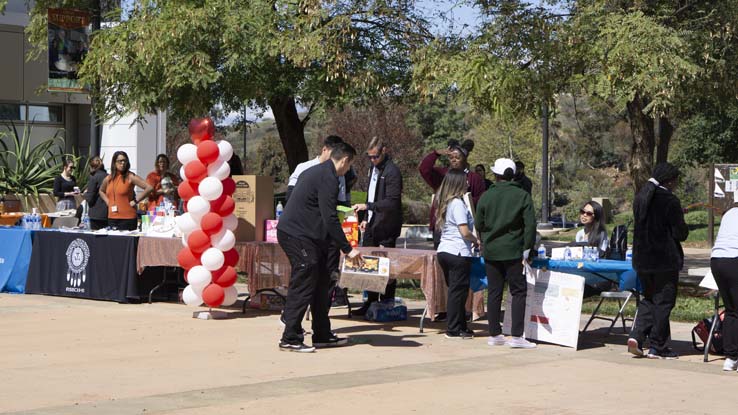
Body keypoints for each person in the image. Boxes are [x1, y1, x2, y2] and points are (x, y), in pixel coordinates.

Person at [277, 143, 363, 353]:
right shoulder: (329, 177)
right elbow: (329, 216)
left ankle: (322, 334)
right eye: (349, 164)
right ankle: (290, 337)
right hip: (296, 234)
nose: (348, 169)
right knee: (306, 276)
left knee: (324, 279)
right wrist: (348, 248)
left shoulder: (321, 172)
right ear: (345, 160)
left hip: (312, 236)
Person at [627, 162, 688, 360]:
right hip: (664, 260)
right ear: (670, 181)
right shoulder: (670, 200)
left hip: (643, 260)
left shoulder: (641, 198)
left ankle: (637, 336)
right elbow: (680, 233)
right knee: (664, 302)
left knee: (649, 298)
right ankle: (658, 346)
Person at [475, 158, 537, 349]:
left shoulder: (486, 196)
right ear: (513, 174)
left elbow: (479, 224)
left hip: (492, 250)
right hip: (513, 250)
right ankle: (517, 336)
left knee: (494, 292)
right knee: (518, 291)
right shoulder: (522, 195)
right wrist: (527, 248)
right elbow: (530, 225)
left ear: (496, 174)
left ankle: (494, 333)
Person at [351, 137, 403, 316]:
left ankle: (387, 302)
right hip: (373, 225)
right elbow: (370, 196)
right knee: (370, 264)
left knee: (386, 267)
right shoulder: (372, 170)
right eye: (369, 157)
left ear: (384, 151)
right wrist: (366, 216)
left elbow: (392, 202)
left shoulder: (392, 172)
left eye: (375, 157)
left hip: (387, 227)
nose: (372, 160)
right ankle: (371, 302)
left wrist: (369, 207)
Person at [434, 169, 480, 338]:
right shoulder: (458, 204)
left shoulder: (445, 203)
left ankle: (461, 325)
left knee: (456, 291)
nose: (468, 183)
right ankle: (453, 328)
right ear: (458, 183)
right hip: (458, 252)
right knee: (457, 292)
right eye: (465, 181)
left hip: (444, 251)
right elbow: (464, 231)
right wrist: (476, 240)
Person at [418, 138, 485, 247]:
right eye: (451, 157)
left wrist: (465, 200)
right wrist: (436, 154)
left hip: (464, 226)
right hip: (441, 226)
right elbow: (424, 169)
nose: (453, 160)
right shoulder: (442, 174)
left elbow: (482, 198)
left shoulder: (474, 178)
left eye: (457, 157)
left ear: (465, 158)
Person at [710, 202, 738, 370]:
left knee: (731, 309)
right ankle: (733, 356)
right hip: (734, 258)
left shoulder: (729, 213)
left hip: (717, 260)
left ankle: (730, 357)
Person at [99, 151, 154, 231]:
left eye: (125, 160)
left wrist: (136, 200)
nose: (123, 163)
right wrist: (108, 202)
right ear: (114, 163)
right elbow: (101, 191)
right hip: (112, 218)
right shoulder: (109, 178)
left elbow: (149, 188)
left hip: (128, 218)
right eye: (120, 161)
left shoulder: (130, 176)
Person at [83, 156, 108, 230]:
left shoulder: (94, 177)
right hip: (108, 212)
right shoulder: (109, 177)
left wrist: (85, 194)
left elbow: (90, 198)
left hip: (96, 213)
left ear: (91, 167)